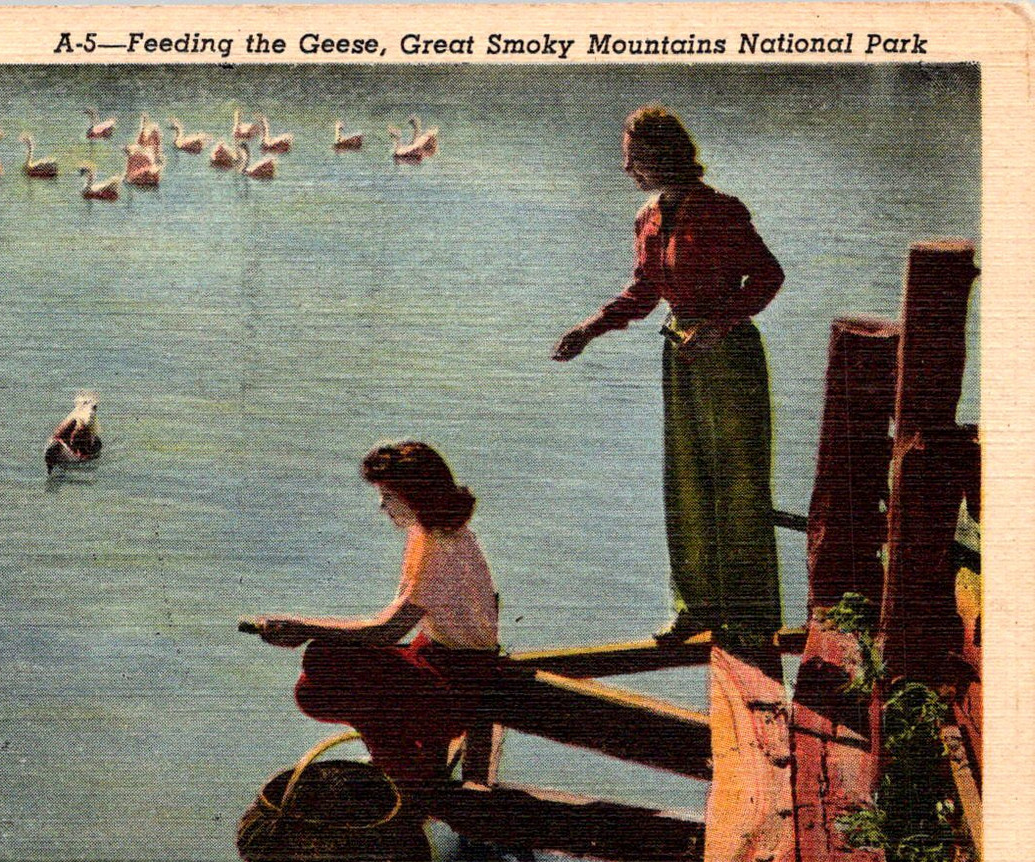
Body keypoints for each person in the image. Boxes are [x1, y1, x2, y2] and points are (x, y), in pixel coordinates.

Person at [553, 105, 785, 649]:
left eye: (631, 156)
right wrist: (590, 329)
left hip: (730, 358)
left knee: (739, 485)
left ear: (660, 155)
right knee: (684, 483)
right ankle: (696, 607)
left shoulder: (720, 210)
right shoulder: (649, 217)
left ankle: (751, 620)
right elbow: (645, 290)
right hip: (680, 354)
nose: (625, 167)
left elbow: (768, 275)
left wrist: (721, 324)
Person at [245, 441, 503, 785]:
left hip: (458, 685)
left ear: (415, 495)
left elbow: (389, 631)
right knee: (315, 687)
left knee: (324, 660)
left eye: (389, 495)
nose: (382, 505)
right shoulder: (432, 533)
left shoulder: (439, 545)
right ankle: (403, 760)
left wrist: (304, 627)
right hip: (444, 662)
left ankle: (408, 773)